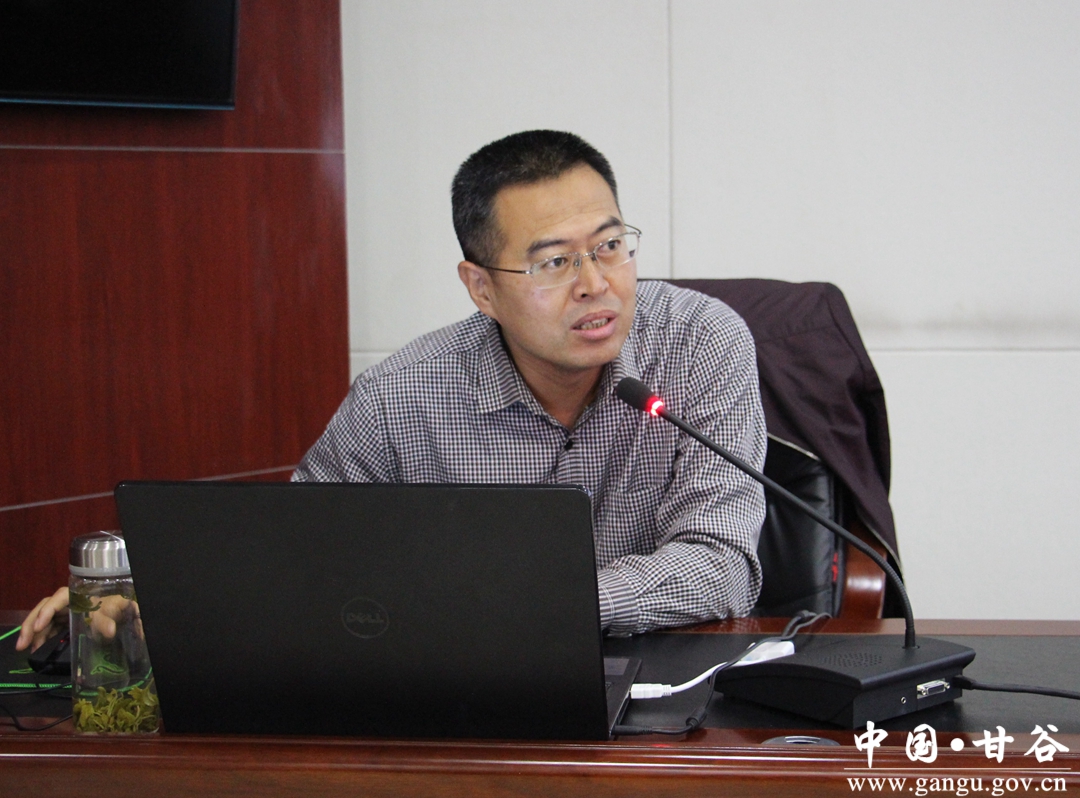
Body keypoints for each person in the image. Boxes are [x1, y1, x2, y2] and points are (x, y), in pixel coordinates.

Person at [18, 129, 766, 650]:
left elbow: (721, 561)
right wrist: (155, 599)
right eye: (553, 263)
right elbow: (299, 552)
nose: (596, 283)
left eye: (609, 246)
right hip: (462, 691)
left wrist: (523, 604)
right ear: (480, 287)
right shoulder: (400, 398)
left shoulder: (700, 343)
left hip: (662, 681)